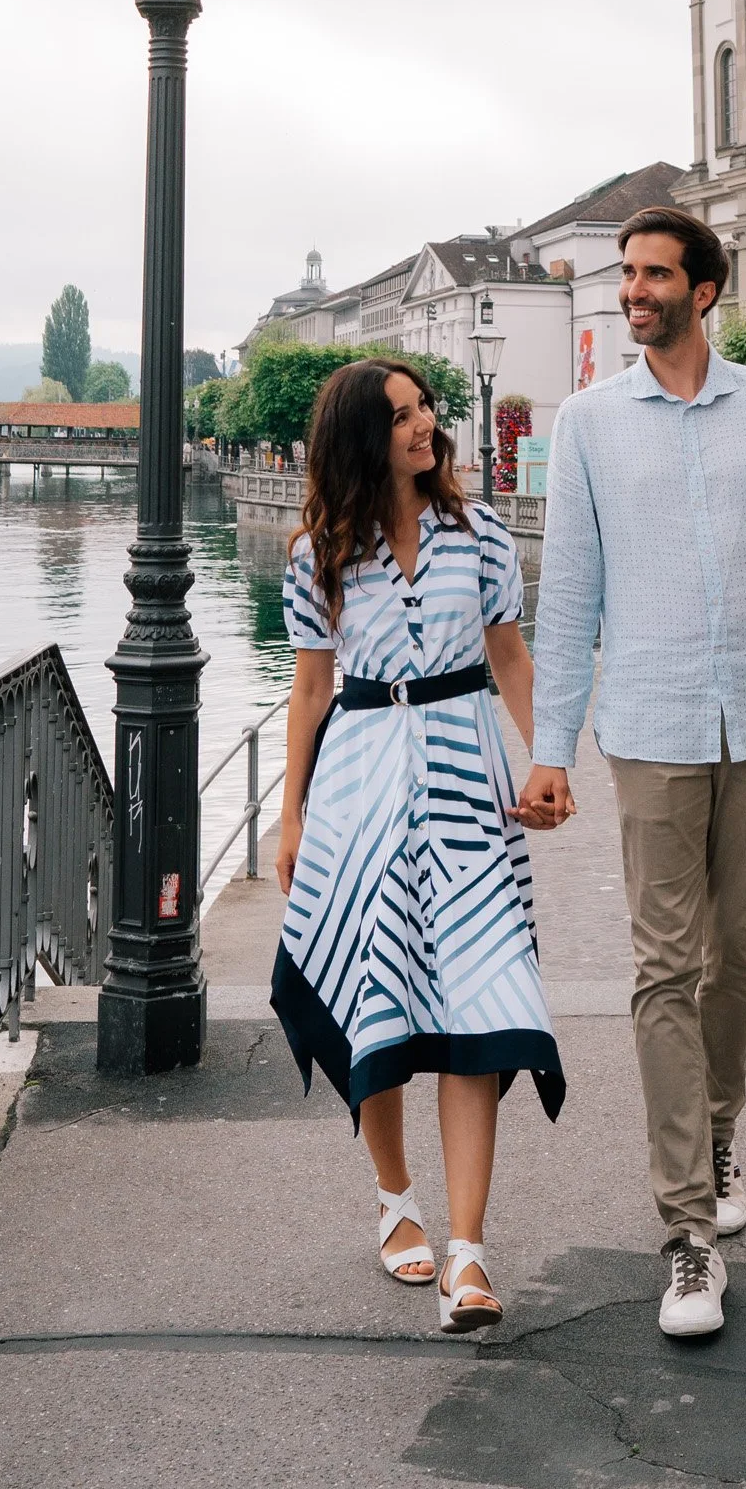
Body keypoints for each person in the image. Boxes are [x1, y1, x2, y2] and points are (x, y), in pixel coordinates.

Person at [515, 207, 746, 1341]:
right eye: (627, 273)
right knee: (665, 964)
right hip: (649, 724)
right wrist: (550, 745)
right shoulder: (590, 424)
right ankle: (685, 1231)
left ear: (705, 290)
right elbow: (566, 598)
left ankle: (716, 1134)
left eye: (655, 274)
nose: (634, 290)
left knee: (738, 953)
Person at [272, 360, 564, 1337]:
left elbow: (509, 657)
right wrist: (291, 815)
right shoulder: (318, 550)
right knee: (379, 1003)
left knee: (483, 999)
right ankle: (396, 1201)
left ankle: (469, 1254)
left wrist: (548, 760)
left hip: (463, 779)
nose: (422, 426)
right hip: (358, 788)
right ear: (361, 435)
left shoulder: (477, 535)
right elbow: (310, 692)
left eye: (423, 409)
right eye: (398, 416)